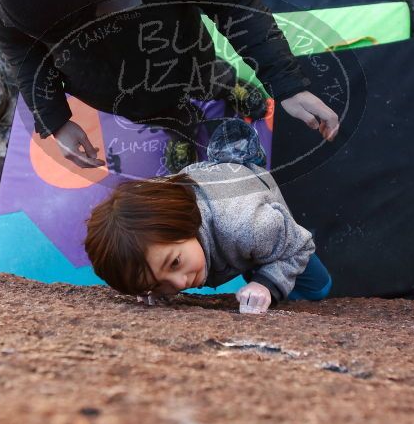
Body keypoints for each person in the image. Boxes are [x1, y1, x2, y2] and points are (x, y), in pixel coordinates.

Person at [0, 0, 340, 171]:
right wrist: (54, 119)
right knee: (157, 113)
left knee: (207, 76)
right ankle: (180, 129)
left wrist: (285, 83)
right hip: (111, 89)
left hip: (179, 50)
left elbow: (234, 1)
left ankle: (229, 88)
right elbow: (20, 51)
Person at [84, 120, 332, 314]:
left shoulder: (250, 225)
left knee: (318, 288)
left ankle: (264, 268)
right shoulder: (160, 214)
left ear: (184, 223)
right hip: (222, 219)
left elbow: (300, 246)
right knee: (248, 259)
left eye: (174, 263)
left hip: (265, 227)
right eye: (159, 283)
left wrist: (266, 284)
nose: (179, 283)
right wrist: (145, 284)